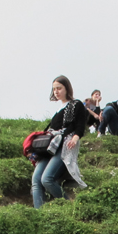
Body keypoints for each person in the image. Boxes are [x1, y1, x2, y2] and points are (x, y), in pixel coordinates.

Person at [31, 75, 87, 209]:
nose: (56, 91)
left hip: (64, 145)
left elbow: (81, 124)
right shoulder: (58, 110)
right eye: (54, 89)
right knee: (36, 180)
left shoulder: (75, 104)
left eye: (59, 88)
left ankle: (69, 206)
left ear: (67, 88)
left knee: (47, 179)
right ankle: (39, 214)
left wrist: (75, 138)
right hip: (50, 147)